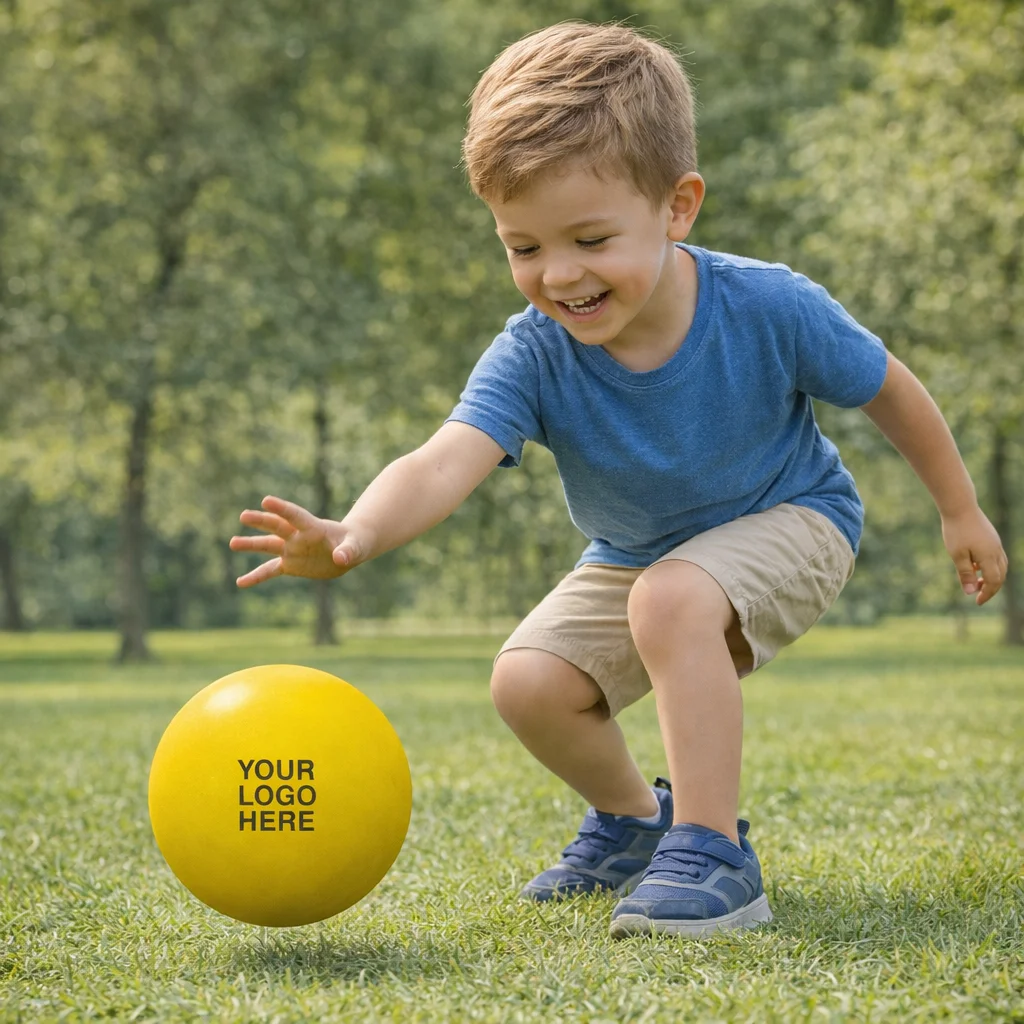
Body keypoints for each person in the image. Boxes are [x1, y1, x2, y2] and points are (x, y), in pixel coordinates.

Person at [229, 22, 1007, 938]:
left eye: (591, 238)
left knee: (672, 602)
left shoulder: (766, 304)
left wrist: (960, 509)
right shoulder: (534, 353)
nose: (559, 275)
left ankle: (716, 855)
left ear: (678, 207)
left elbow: (890, 389)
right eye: (523, 248)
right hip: (639, 555)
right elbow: (445, 457)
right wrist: (353, 534)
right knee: (528, 682)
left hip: (797, 519)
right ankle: (641, 825)